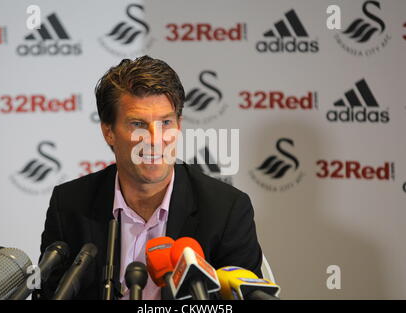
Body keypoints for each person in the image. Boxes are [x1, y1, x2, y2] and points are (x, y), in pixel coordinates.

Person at [33, 55, 262, 300]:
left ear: (179, 125)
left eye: (165, 122)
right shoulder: (69, 204)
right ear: (109, 132)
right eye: (137, 124)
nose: (154, 139)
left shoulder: (226, 210)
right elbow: (49, 293)